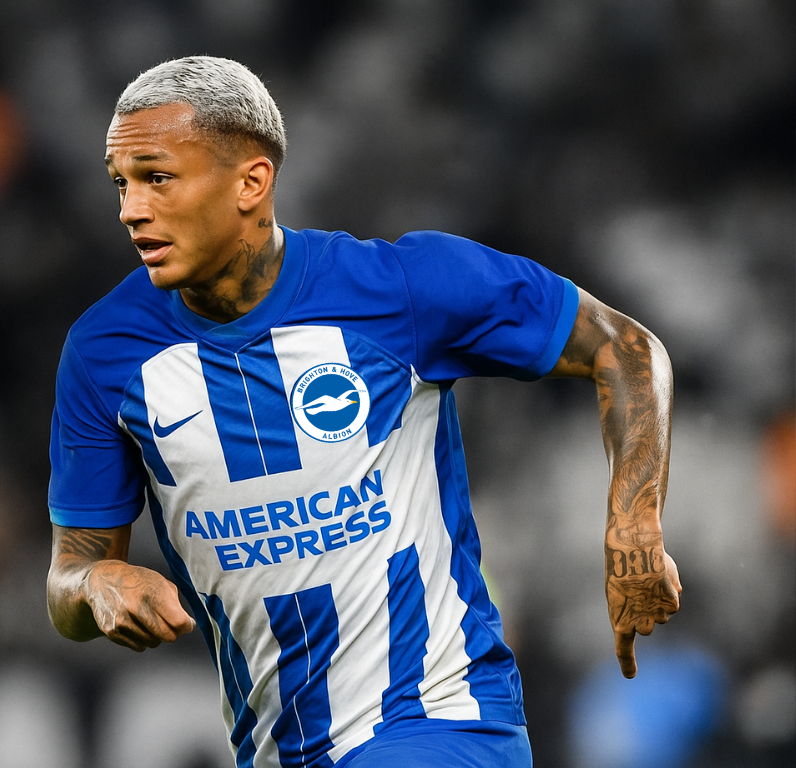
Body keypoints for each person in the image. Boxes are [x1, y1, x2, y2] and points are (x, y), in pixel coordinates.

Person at [45, 56, 681, 768]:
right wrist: (96, 583)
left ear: (251, 182)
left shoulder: (401, 289)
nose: (131, 209)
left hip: (442, 722)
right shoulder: (104, 353)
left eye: (157, 178)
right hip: (275, 750)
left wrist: (634, 521)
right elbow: (69, 577)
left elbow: (626, 347)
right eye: (121, 183)